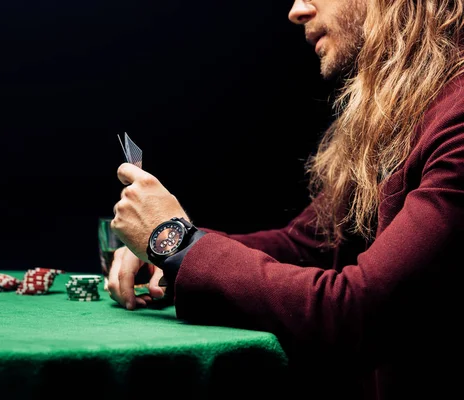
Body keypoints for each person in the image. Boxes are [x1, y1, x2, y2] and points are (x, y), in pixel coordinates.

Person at [108, 1, 464, 399]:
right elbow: (305, 247)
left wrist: (176, 242)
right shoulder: (410, 108)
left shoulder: (459, 118)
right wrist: (172, 252)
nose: (296, 10)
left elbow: (359, 312)